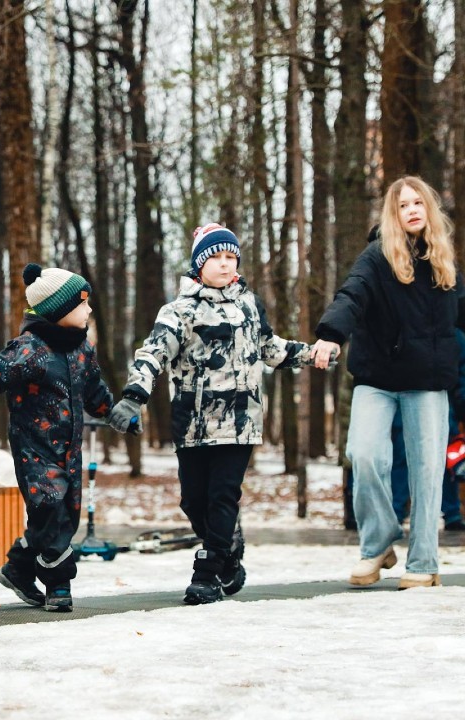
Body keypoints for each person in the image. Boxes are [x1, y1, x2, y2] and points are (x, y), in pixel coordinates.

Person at [109, 223, 318, 605]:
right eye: (216, 257)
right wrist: (134, 394)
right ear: (199, 264)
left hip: (240, 422)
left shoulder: (250, 306)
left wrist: (311, 354)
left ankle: (207, 572)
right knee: (193, 500)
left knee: (223, 495)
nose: (225, 264)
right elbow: (154, 352)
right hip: (192, 422)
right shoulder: (180, 311)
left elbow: (271, 349)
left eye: (230, 257)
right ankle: (228, 549)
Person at [312, 176, 465, 590]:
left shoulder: (443, 262)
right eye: (403, 205)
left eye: (418, 202)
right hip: (377, 377)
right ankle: (378, 543)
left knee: (428, 470)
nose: (412, 210)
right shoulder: (376, 257)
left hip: (428, 381)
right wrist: (330, 333)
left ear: (428, 209)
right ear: (392, 214)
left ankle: (424, 561)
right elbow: (352, 294)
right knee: (362, 454)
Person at [0, 264, 112, 612]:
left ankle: (18, 567)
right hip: (35, 450)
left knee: (66, 514)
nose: (89, 310)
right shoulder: (31, 350)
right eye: (83, 303)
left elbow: (94, 388)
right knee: (50, 509)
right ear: (60, 310)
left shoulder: (82, 349)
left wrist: (115, 411)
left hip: (69, 452)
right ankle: (59, 583)